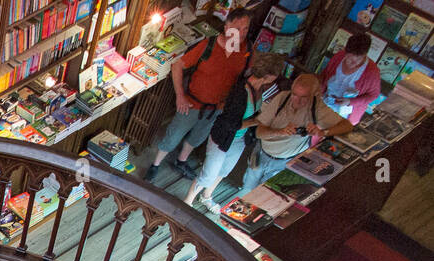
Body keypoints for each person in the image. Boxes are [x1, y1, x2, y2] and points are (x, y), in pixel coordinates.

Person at [143, 10, 252, 183]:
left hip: (217, 108)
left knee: (198, 136)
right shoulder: (208, 45)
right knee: (174, 134)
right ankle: (155, 164)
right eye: (237, 28)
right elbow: (177, 65)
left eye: (245, 28)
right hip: (193, 103)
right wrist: (180, 96)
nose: (242, 33)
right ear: (226, 27)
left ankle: (182, 161)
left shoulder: (247, 51)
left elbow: (245, 78)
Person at [185, 52, 284, 211]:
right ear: (269, 76)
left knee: (224, 170)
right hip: (223, 137)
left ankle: (206, 196)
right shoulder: (241, 91)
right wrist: (256, 121)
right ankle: (187, 203)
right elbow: (232, 124)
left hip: (239, 139)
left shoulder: (260, 89)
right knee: (208, 174)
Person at [240, 73, 354, 192]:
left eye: (303, 97)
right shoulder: (283, 98)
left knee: (267, 192)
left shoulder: (317, 107)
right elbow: (259, 132)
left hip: (285, 162)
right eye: (294, 94)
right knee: (248, 188)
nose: (296, 101)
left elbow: (347, 126)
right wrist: (280, 132)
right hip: (262, 154)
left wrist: (323, 132)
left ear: (315, 95)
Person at [319, 33, 382, 125]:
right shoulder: (339, 56)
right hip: (324, 102)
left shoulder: (372, 71)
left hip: (345, 115)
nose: (352, 62)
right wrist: (319, 91)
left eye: (358, 59)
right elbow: (325, 75)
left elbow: (373, 95)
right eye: (349, 57)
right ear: (346, 50)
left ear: (365, 54)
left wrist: (350, 101)